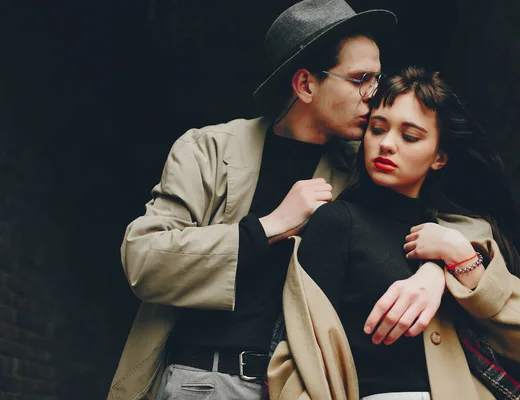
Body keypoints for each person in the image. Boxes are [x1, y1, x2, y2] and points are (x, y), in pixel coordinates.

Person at [107, 1, 399, 399]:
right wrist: (268, 227)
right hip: (205, 383)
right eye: (360, 78)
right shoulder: (208, 149)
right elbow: (143, 259)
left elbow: (453, 221)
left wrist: (438, 272)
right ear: (306, 85)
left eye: (377, 78)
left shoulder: (365, 168)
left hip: (302, 389)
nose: (374, 94)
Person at [267, 67, 520, 400]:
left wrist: (459, 260)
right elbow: (295, 355)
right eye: (377, 129)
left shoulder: (462, 238)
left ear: (439, 157)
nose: (386, 144)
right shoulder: (336, 222)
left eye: (410, 136)